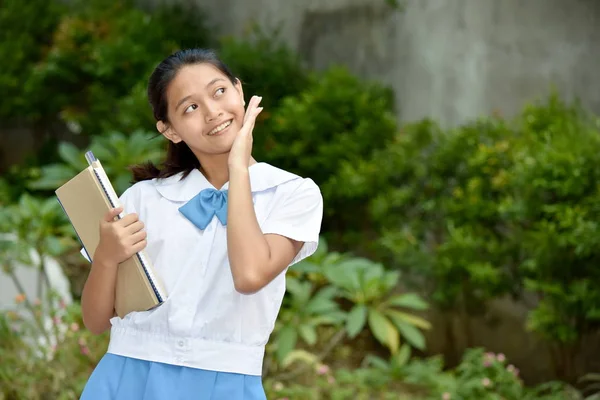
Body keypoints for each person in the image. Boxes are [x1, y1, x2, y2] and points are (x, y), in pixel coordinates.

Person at [79, 48, 323, 399]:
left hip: (226, 384)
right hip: (127, 377)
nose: (212, 112)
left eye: (219, 91)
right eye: (190, 107)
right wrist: (105, 256)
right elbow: (96, 321)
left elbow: (250, 276)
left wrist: (239, 168)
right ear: (170, 130)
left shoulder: (291, 194)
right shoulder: (142, 200)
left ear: (240, 91)